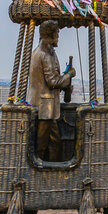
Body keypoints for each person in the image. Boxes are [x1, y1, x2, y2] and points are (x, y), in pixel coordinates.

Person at [27, 20, 75, 161]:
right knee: (43, 144)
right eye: (57, 33)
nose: (58, 37)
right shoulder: (45, 55)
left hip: (46, 108)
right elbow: (52, 82)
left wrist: (65, 83)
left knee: (54, 142)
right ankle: (43, 170)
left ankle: (51, 167)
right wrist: (69, 75)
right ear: (50, 34)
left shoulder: (43, 52)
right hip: (44, 108)